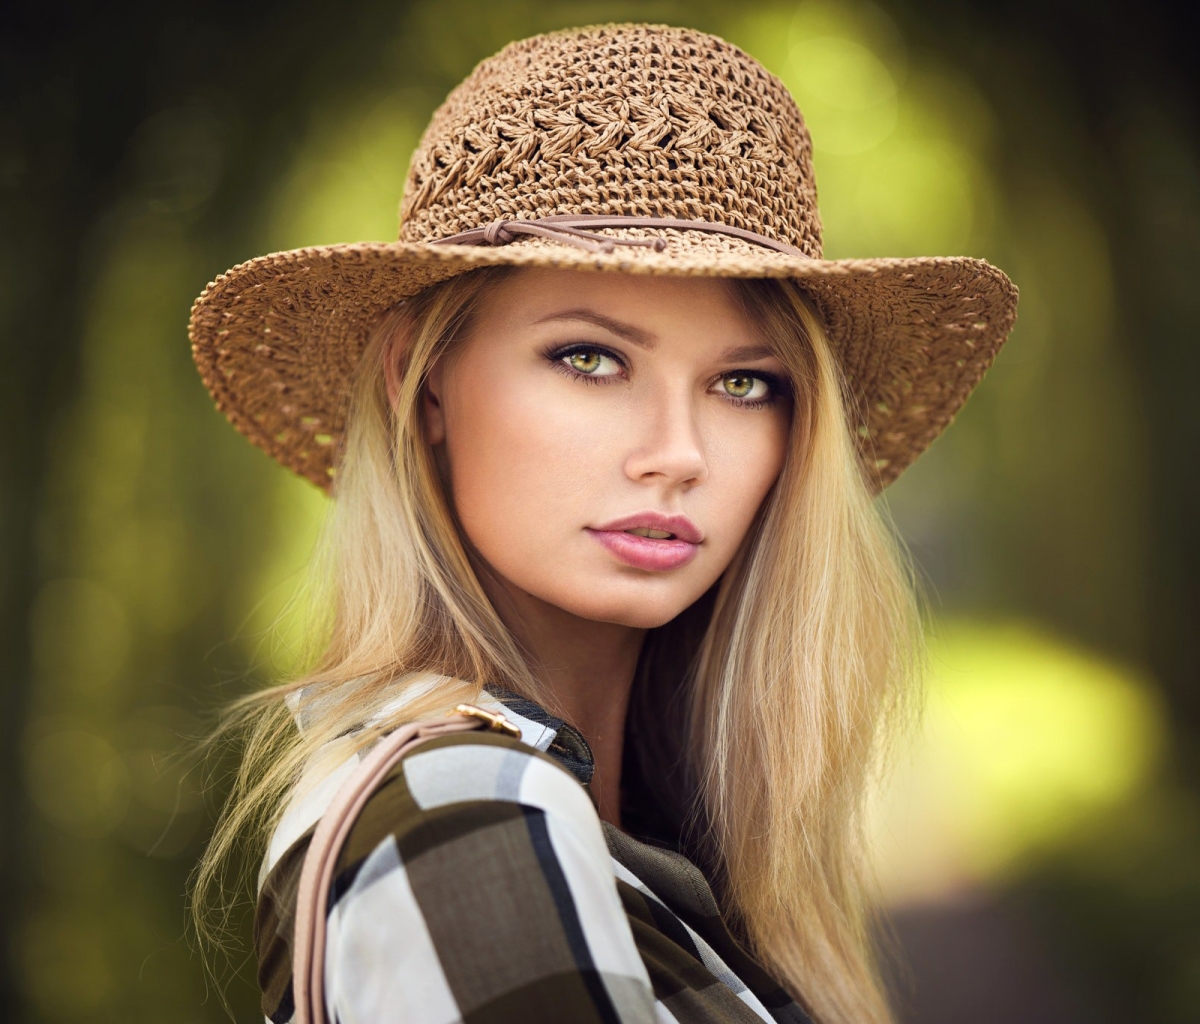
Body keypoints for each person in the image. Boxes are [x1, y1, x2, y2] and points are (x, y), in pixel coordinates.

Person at [188, 23, 1017, 1024]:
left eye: (744, 382)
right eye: (589, 357)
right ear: (421, 378)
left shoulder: (623, 819)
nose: (678, 451)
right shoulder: (464, 819)